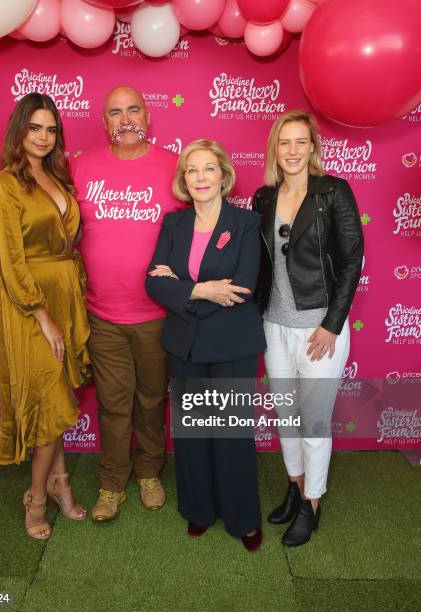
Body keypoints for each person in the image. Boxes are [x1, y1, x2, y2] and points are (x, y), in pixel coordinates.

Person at [146, 139, 266, 551]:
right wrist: (199, 290)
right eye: (192, 170)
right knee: (194, 434)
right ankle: (199, 510)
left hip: (232, 342)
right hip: (185, 346)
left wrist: (184, 290)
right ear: (184, 179)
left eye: (208, 169)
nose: (200, 177)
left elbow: (244, 285)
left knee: (231, 435)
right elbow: (153, 281)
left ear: (223, 176)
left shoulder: (246, 222)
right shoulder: (173, 224)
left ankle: (243, 519)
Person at [253, 110, 364, 547]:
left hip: (321, 331)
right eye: (285, 142)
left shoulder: (333, 191)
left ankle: (312, 503)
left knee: (313, 421)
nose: (293, 151)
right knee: (286, 416)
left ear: (313, 147)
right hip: (273, 328)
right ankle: (295, 487)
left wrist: (331, 325)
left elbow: (353, 260)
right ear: (275, 150)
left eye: (301, 142)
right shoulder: (263, 198)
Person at [72, 85, 183, 521]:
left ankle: (149, 473)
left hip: (156, 314)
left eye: (133, 108)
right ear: (104, 122)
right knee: (114, 402)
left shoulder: (174, 167)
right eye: (115, 111)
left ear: (147, 115)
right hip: (102, 315)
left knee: (153, 398)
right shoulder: (81, 167)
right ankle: (112, 482)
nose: (125, 119)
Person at [0, 93, 91, 540]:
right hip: (30, 305)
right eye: (35, 128)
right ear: (19, 131)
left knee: (56, 401)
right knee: (51, 398)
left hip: (65, 294)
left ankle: (61, 486)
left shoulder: (56, 178)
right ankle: (35, 498)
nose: (44, 137)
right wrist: (42, 315)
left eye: (51, 130)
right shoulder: (4, 186)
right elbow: (10, 263)